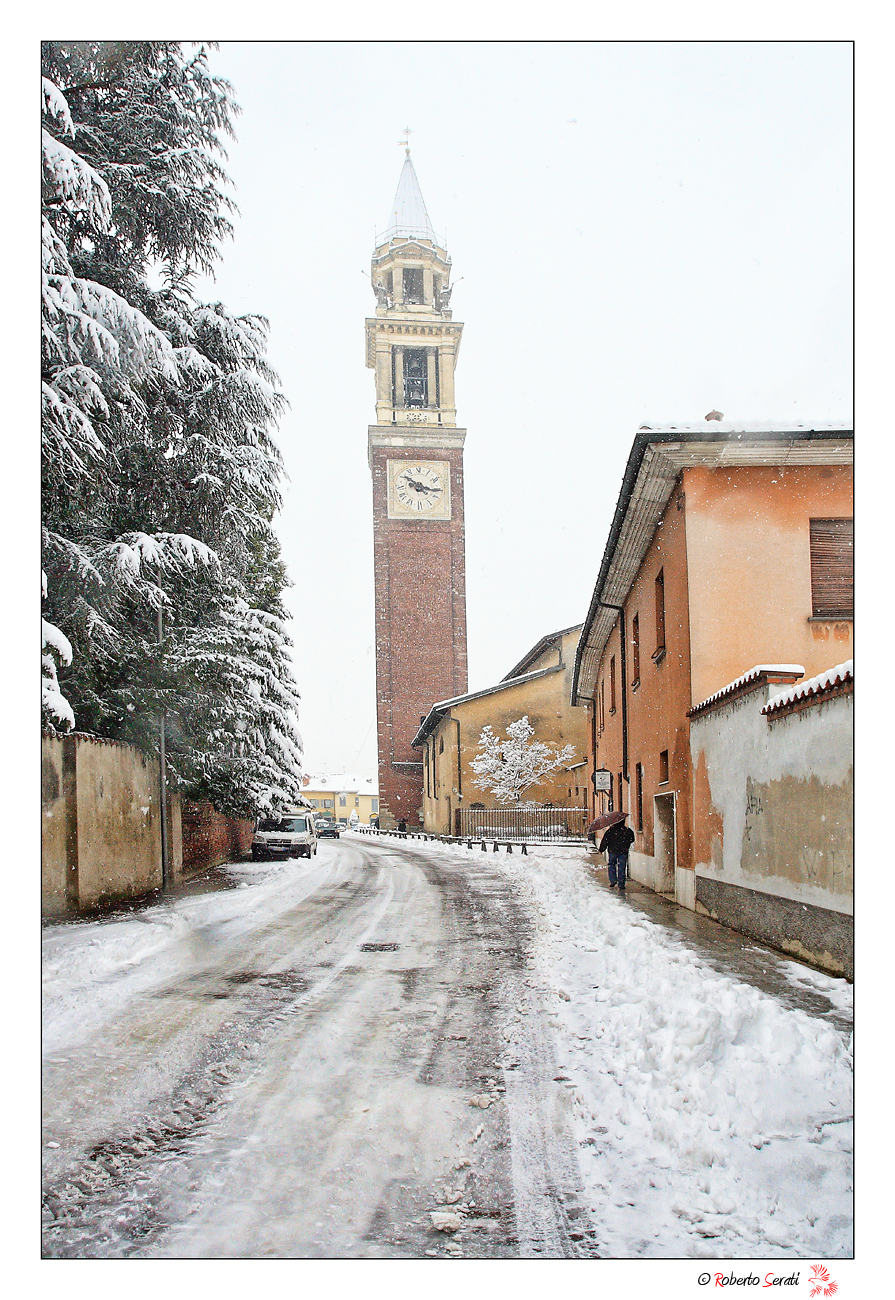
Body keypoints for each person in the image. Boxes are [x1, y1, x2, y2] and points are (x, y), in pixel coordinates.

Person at [599, 816, 635, 891]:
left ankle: (613, 880)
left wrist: (601, 849)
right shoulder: (627, 830)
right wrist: (625, 843)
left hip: (613, 851)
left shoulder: (610, 831)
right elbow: (632, 839)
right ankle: (621, 884)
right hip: (623, 851)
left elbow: (605, 840)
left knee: (611, 865)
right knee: (622, 867)